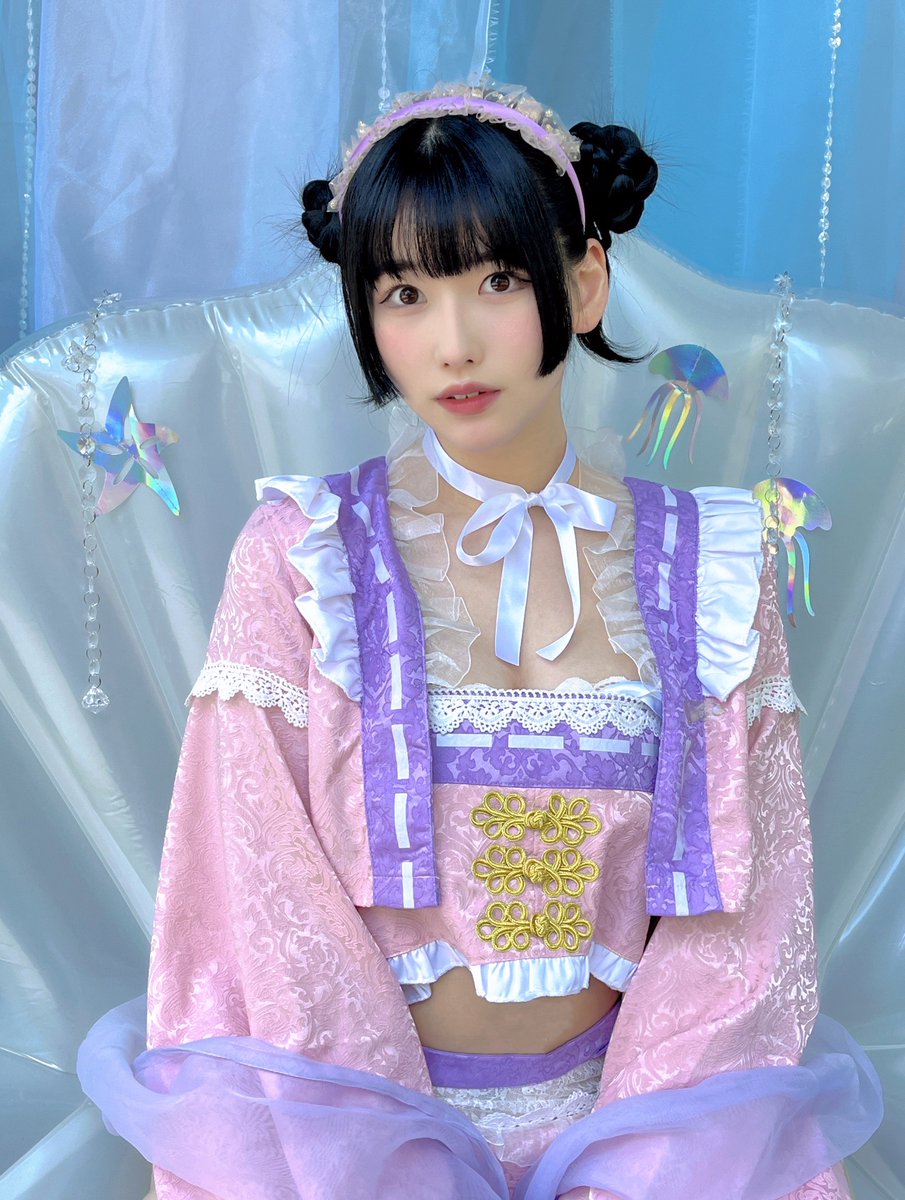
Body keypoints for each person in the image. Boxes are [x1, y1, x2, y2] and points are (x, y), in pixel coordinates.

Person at [78, 79, 881, 1200]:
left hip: (655, 1136)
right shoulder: (301, 557)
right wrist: (387, 1167)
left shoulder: (716, 569)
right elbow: (254, 899)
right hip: (344, 1139)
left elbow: (746, 928)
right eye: (405, 293)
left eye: (497, 280)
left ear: (583, 280)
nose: (452, 343)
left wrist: (636, 1169)